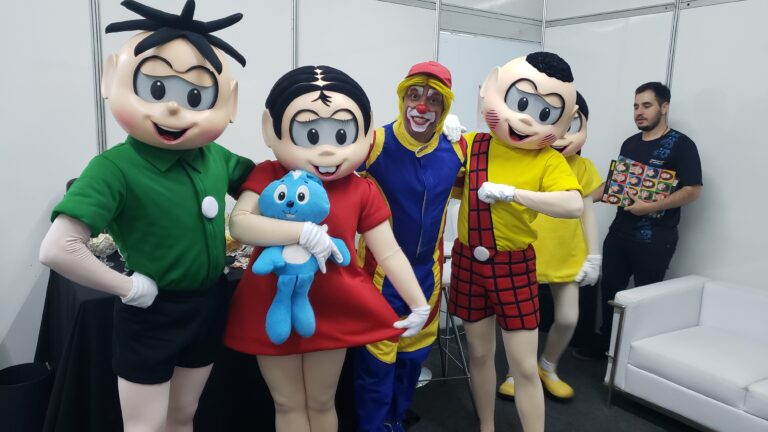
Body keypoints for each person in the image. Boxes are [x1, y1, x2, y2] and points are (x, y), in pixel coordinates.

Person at [38, 1, 253, 431]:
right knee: (145, 426)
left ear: (227, 101)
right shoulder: (115, 167)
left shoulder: (213, 155)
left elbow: (261, 182)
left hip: (209, 303)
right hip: (151, 312)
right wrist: (128, 287)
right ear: (112, 78)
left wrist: (251, 215)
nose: (174, 107)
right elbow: (57, 248)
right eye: (156, 87)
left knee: (184, 414)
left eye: (195, 95)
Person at [223, 65, 430, 432]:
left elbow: (389, 252)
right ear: (271, 129)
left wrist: (419, 304)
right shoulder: (270, 174)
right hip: (271, 301)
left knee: (321, 401)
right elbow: (240, 223)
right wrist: (301, 232)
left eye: (342, 133)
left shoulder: (361, 189)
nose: (327, 148)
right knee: (286, 402)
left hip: (333, 304)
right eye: (310, 133)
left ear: (367, 131)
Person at [450, 52, 583, 432]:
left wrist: (513, 194)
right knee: (479, 354)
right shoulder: (472, 145)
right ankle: (486, 426)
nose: (526, 119)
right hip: (468, 261)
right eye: (521, 103)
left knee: (523, 366)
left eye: (545, 113)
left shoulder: (547, 159)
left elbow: (573, 204)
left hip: (514, 266)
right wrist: (440, 141)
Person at [353, 61, 466, 432]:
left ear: (445, 108)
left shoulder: (458, 148)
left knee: (413, 356)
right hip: (378, 273)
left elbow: (476, 180)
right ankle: (373, 425)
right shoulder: (375, 142)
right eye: (414, 95)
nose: (421, 106)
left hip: (427, 271)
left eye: (434, 100)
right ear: (402, 98)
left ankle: (395, 419)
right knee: (376, 359)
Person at [575, 81, 702, 360]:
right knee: (610, 292)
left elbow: (693, 190)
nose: (639, 112)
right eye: (635, 106)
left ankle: (631, 357)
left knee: (645, 299)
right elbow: (614, 184)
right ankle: (605, 346)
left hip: (656, 239)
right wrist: (580, 200)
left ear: (664, 107)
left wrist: (651, 207)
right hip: (619, 233)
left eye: (646, 105)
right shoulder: (630, 143)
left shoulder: (681, 145)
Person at [497, 92, 603, 401]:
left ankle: (548, 366)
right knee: (521, 321)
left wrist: (594, 256)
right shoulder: (530, 159)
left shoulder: (582, 167)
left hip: (567, 252)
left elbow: (587, 213)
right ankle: (516, 371)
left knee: (569, 318)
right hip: (526, 251)